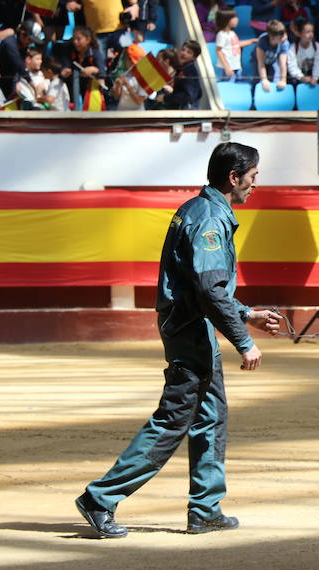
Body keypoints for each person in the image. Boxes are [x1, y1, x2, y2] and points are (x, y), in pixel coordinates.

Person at [75, 142, 283, 538]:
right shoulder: (208, 218)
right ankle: (99, 498)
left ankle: (205, 508)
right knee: (174, 420)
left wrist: (247, 314)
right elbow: (208, 289)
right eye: (253, 177)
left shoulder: (202, 209)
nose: (256, 185)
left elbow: (203, 287)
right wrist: (244, 339)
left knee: (209, 418)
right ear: (233, 177)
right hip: (190, 331)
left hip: (192, 327)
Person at [215, 9, 258, 81]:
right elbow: (219, 51)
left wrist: (252, 41)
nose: (237, 19)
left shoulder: (232, 33)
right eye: (234, 18)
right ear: (226, 20)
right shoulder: (221, 34)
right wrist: (227, 67)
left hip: (236, 65)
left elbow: (236, 45)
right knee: (228, 86)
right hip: (226, 68)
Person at [161, 40, 202, 109]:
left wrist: (166, 98)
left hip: (186, 111)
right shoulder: (182, 68)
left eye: (189, 52)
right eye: (183, 50)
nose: (184, 53)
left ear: (194, 57)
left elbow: (188, 96)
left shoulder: (189, 71)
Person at [251, 19, 290, 92]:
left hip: (273, 61)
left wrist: (283, 80)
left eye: (283, 34)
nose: (284, 37)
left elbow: (283, 64)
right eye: (280, 36)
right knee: (258, 81)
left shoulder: (284, 43)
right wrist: (264, 79)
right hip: (258, 62)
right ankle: (253, 96)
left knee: (276, 80)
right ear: (271, 37)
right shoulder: (262, 40)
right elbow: (261, 63)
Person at [287, 20, 319, 85]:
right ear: (299, 33)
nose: (311, 35)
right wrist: (301, 77)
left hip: (314, 78)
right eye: (307, 32)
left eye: (312, 32)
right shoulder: (293, 48)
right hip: (298, 79)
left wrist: (315, 78)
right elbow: (292, 66)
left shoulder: (316, 46)